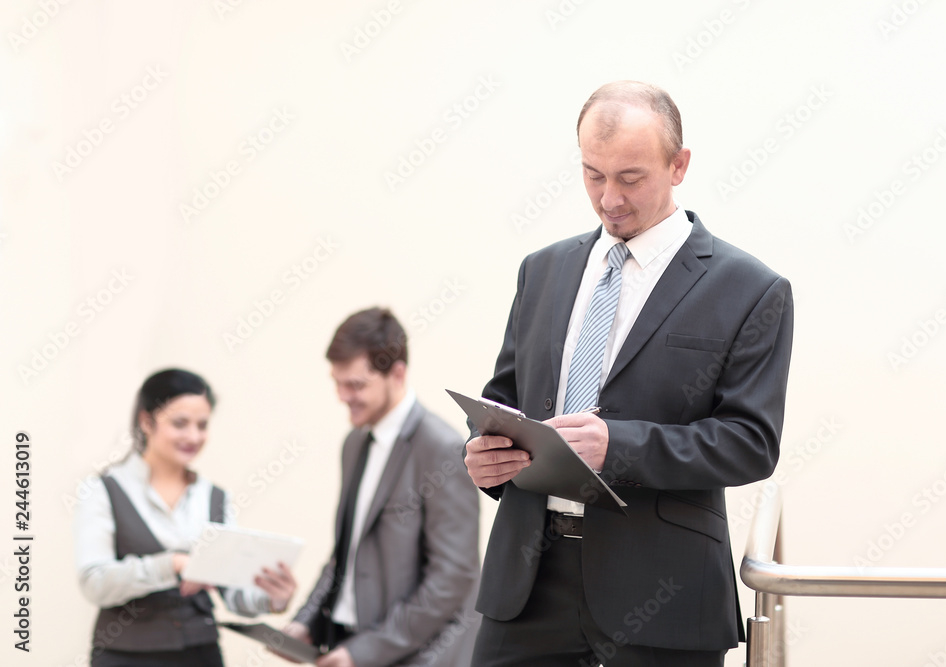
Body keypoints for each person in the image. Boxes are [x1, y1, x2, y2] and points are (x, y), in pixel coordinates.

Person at [464, 81, 795, 666]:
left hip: (662, 592)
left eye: (631, 177)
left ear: (679, 165)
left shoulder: (750, 290)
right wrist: (485, 456)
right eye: (594, 174)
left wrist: (618, 446)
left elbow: (750, 444)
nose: (609, 198)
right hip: (526, 585)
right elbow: (506, 400)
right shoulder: (541, 271)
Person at [282, 307, 480, 667]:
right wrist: (305, 621)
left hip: (408, 654)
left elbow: (453, 578)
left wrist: (365, 651)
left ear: (397, 373)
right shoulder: (354, 444)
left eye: (356, 384)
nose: (343, 396)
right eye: (337, 383)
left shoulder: (442, 448)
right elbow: (345, 553)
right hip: (343, 640)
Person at [74, 368, 298, 666]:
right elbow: (95, 582)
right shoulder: (104, 489)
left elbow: (232, 591)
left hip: (200, 654)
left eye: (202, 425)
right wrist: (174, 565)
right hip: (125, 657)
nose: (193, 436)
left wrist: (273, 598)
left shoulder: (214, 497)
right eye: (180, 423)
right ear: (146, 421)